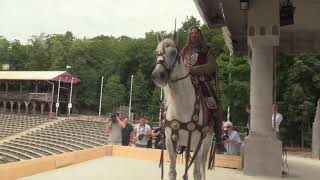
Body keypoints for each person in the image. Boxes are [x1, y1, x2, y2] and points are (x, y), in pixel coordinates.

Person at [180, 26, 223, 149]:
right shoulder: (184, 51)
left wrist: (195, 70)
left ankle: (219, 138)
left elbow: (212, 66)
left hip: (201, 83)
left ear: (200, 35)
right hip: (185, 83)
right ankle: (169, 133)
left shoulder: (207, 50)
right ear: (189, 36)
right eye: (192, 33)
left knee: (215, 107)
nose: (194, 35)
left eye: (196, 33)